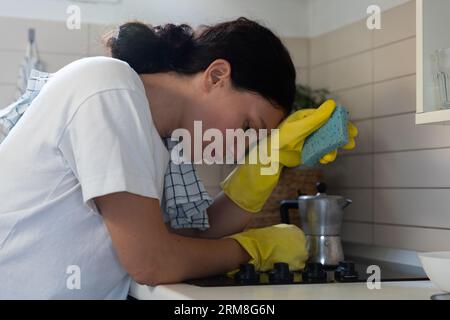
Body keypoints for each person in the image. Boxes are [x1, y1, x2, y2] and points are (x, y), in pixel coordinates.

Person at [0, 17, 356, 299]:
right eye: (249, 125)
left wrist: (267, 164)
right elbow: (152, 261)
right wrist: (252, 250)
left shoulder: (158, 138)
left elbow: (185, 240)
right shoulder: (108, 88)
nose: (240, 146)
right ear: (217, 75)